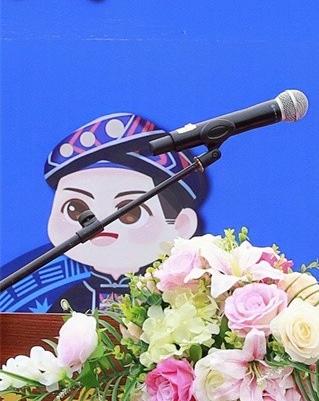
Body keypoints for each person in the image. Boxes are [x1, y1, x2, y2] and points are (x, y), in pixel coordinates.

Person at [0, 112, 208, 313]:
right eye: (76, 209)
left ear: (181, 225)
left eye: (131, 212)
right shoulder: (71, 300)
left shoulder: (175, 300)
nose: (98, 221)